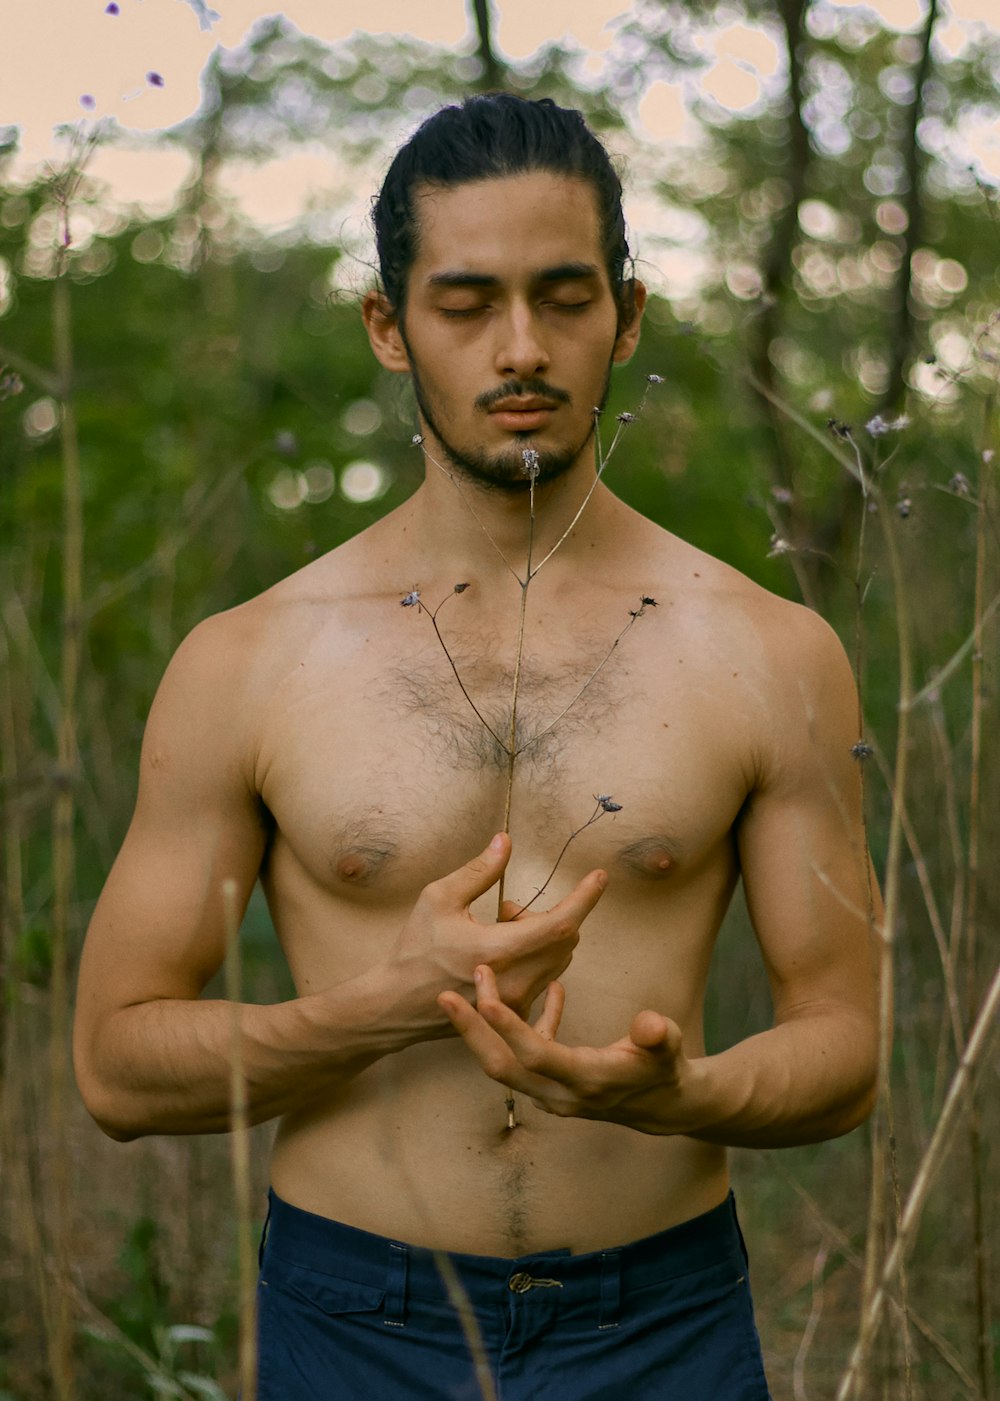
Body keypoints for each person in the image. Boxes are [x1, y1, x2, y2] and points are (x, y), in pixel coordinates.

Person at [73, 94, 880, 1400]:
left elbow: (845, 1043)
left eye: (565, 297)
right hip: (352, 1320)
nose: (521, 346)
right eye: (465, 302)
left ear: (627, 315)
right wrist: (383, 1004)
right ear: (389, 327)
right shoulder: (247, 661)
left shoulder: (769, 652)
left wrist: (688, 1094)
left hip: (661, 1323)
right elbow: (114, 1062)